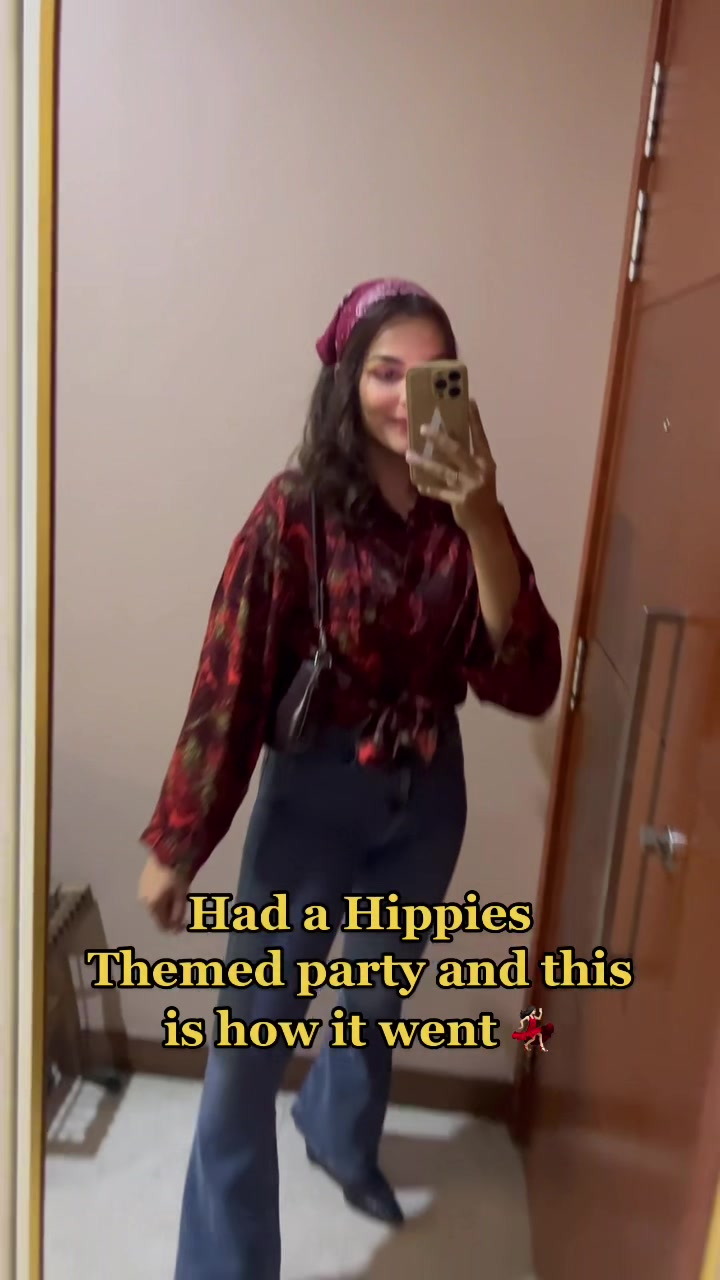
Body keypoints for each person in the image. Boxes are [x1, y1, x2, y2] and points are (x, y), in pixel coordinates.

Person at [137, 277, 562, 1280]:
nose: (406, 396)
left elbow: (530, 676)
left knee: (373, 995)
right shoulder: (295, 512)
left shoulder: (467, 511)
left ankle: (337, 1133)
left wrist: (483, 516)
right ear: (346, 382)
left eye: (431, 374)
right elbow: (231, 680)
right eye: (384, 372)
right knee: (248, 1049)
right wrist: (179, 842)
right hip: (314, 798)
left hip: (428, 797)